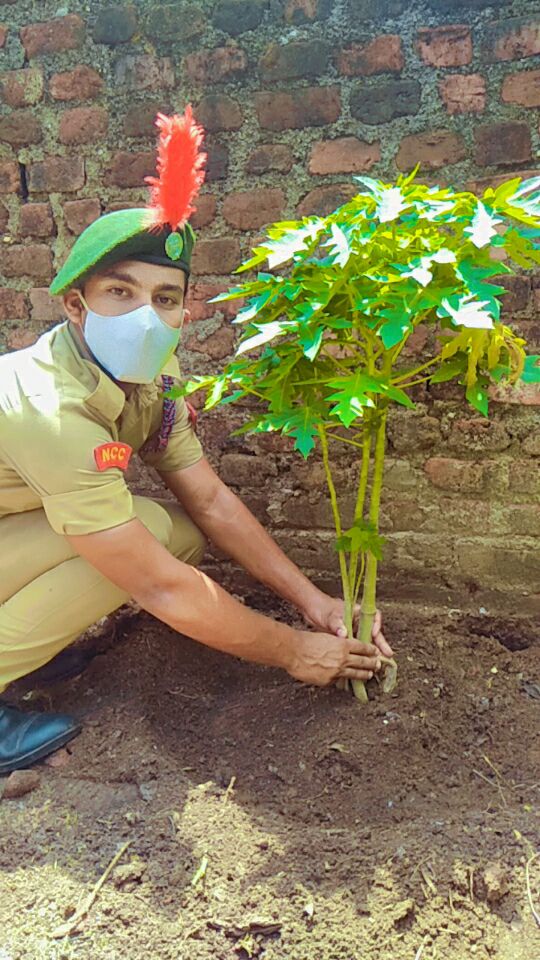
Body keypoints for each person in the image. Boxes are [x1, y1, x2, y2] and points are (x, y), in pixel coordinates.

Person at [0, 110, 392, 773]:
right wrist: (294, 651)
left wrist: (315, 602)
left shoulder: (149, 371)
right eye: (120, 292)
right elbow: (161, 589)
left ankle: (30, 646)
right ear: (75, 304)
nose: (145, 318)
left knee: (173, 530)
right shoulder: (48, 407)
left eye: (164, 298)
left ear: (186, 308)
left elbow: (208, 499)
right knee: (137, 552)